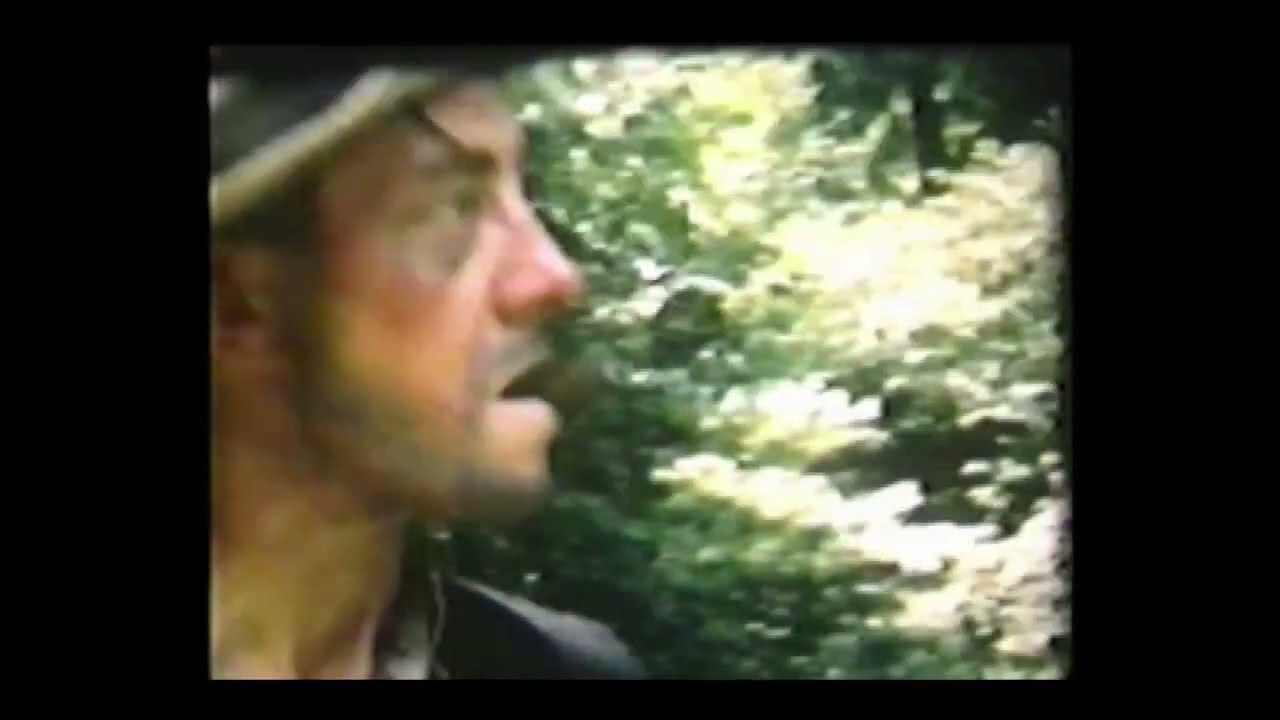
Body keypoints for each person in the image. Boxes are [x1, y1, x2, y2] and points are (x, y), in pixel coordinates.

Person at [210, 65, 645, 679]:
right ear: (235, 300)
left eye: (524, 197)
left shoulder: (560, 667)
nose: (555, 278)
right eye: (455, 206)